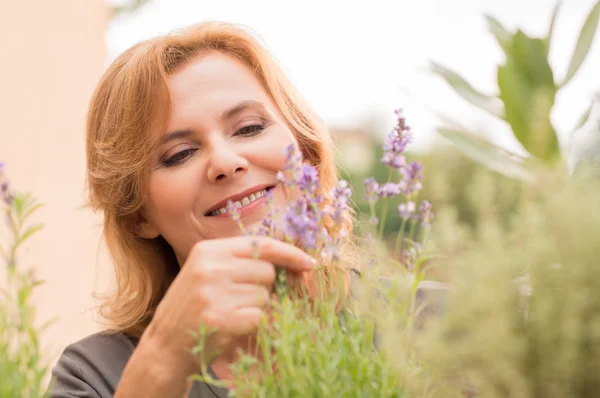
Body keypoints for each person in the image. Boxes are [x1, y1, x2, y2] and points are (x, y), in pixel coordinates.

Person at [49, 21, 356, 398]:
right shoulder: (94, 376)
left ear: (306, 152)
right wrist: (163, 361)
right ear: (138, 216)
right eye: (180, 155)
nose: (226, 162)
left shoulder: (430, 323)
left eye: (248, 128)